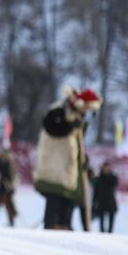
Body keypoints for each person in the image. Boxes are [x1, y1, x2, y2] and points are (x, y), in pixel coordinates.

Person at [33, 87, 102, 230]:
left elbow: (78, 146)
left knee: (70, 198)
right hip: (54, 164)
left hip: (70, 167)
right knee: (55, 196)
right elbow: (50, 126)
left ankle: (65, 226)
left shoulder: (78, 119)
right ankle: (52, 226)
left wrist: (84, 164)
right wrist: (70, 126)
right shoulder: (60, 111)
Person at [92, 161, 119, 233]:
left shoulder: (113, 178)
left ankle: (110, 233)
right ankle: (102, 234)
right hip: (101, 203)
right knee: (101, 223)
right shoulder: (98, 179)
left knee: (111, 223)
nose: (106, 169)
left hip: (111, 203)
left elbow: (114, 183)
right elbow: (95, 192)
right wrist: (94, 203)